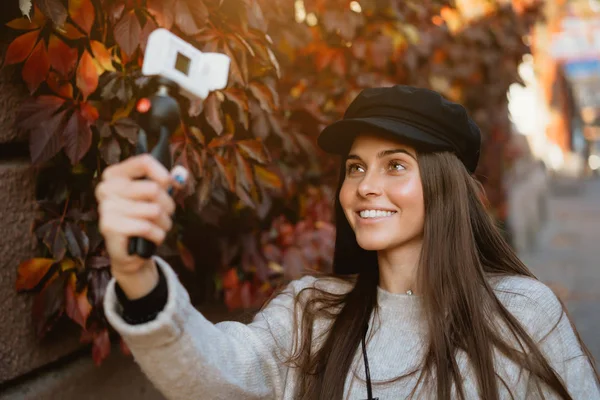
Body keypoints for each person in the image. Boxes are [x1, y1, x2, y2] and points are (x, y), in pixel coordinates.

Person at [98, 85, 600, 399]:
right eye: (355, 167)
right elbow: (212, 374)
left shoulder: (522, 313)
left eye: (395, 165)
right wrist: (136, 276)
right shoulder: (313, 313)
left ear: (444, 184)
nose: (365, 186)